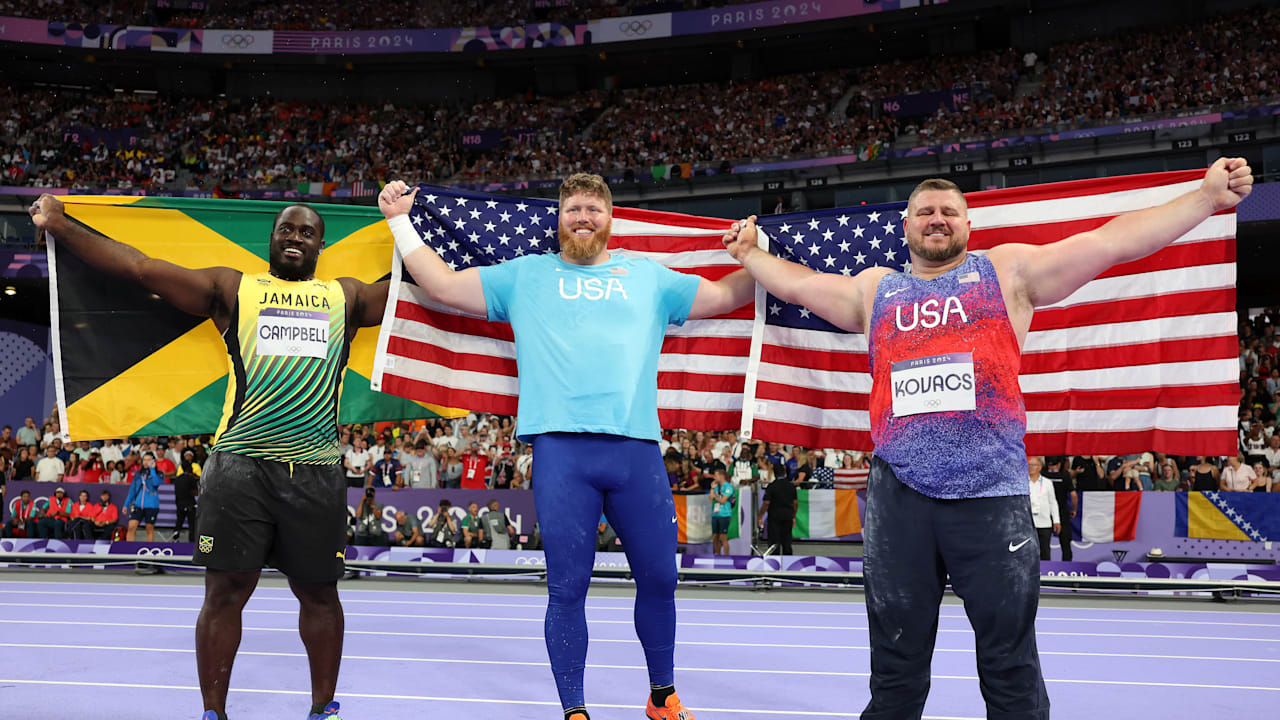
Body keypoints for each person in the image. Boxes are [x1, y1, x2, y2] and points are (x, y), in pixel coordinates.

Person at [721, 158, 1252, 719]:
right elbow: (802, 285)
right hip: (900, 498)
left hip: (991, 498)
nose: (937, 218)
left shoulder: (1007, 274)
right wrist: (750, 253)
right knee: (895, 671)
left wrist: (1205, 198)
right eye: (924, 211)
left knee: (1009, 666)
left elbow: (1107, 243)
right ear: (906, 227)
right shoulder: (877, 290)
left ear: (969, 226)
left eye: (950, 210)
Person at [380, 173, 754, 720]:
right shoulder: (526, 275)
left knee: (660, 578)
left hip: (635, 450)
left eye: (593, 210)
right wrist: (399, 222)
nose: (583, 217)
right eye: (574, 208)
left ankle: (661, 696)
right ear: (559, 218)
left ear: (611, 219)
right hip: (561, 452)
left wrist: (761, 254)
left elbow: (726, 295)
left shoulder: (647, 277)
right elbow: (440, 285)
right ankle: (574, 710)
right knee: (567, 588)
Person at [29, 194, 393, 720]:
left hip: (315, 469)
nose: (295, 237)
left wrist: (418, 226)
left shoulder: (347, 298)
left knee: (319, 593)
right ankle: (212, 713)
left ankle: (323, 710)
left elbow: (415, 289)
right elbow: (141, 268)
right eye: (286, 230)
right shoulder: (233, 287)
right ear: (271, 239)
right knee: (225, 592)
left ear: (322, 245)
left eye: (307, 232)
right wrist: (63, 227)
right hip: (239, 466)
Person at [757, 464, 796, 556]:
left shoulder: (772, 486)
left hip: (774, 516)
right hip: (787, 515)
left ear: (774, 473)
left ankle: (775, 562)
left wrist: (760, 516)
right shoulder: (791, 486)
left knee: (774, 542)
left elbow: (766, 503)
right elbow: (795, 503)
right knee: (787, 541)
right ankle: (788, 562)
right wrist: (793, 516)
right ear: (785, 473)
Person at [1027, 457, 1061, 561]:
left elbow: (1053, 502)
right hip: (1027, 523)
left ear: (1040, 467)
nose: (1031, 467)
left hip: (1044, 522)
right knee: (1028, 551)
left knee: (1045, 550)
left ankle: (1045, 573)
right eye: (1029, 465)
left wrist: (1056, 521)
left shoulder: (1047, 483)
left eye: (1034, 465)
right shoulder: (1023, 483)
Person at [124, 452, 163, 542]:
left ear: (153, 461)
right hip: (137, 505)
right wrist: (126, 504)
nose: (146, 462)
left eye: (149, 460)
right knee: (131, 526)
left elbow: (156, 483)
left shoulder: (159, 473)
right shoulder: (138, 474)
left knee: (149, 529)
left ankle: (148, 552)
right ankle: (129, 551)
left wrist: (152, 470)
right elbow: (132, 490)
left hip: (151, 506)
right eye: (144, 460)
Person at [173, 454, 200, 543]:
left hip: (179, 504)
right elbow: (196, 492)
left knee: (179, 523)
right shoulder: (191, 479)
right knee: (192, 525)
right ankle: (191, 543)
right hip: (190, 505)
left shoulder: (177, 479)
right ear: (189, 468)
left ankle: (175, 540)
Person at [709, 468, 736, 556]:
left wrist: (715, 496)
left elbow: (723, 501)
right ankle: (717, 554)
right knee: (715, 537)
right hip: (715, 514)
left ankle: (726, 556)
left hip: (724, 514)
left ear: (721, 476)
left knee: (723, 537)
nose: (714, 477)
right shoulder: (716, 486)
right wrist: (712, 489)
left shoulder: (728, 487)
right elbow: (710, 499)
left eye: (716, 475)